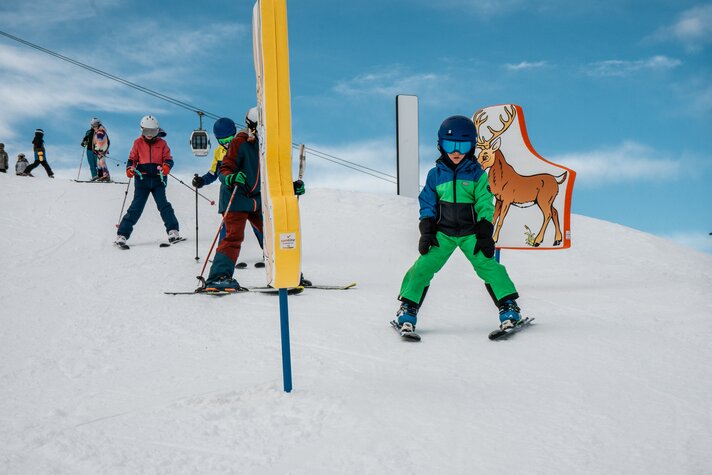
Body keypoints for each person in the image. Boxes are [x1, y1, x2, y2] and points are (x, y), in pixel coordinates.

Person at [393, 115, 522, 336]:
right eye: (450, 145)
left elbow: (484, 202)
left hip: (470, 233)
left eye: (462, 146)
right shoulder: (435, 175)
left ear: (471, 147)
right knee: (422, 267)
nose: (456, 152)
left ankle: (509, 308)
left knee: (489, 266)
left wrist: (484, 230)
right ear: (440, 145)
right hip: (443, 233)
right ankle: (408, 308)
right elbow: (427, 201)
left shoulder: (478, 175)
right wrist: (427, 228)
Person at [115, 115, 181, 247]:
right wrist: (130, 168)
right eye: (147, 132)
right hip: (142, 179)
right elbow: (132, 159)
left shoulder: (162, 143)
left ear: (157, 131)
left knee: (163, 205)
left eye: (153, 132)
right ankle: (122, 234)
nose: (150, 135)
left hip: (158, 179)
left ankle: (173, 231)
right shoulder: (137, 143)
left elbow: (168, 158)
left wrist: (166, 166)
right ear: (142, 130)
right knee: (136, 207)